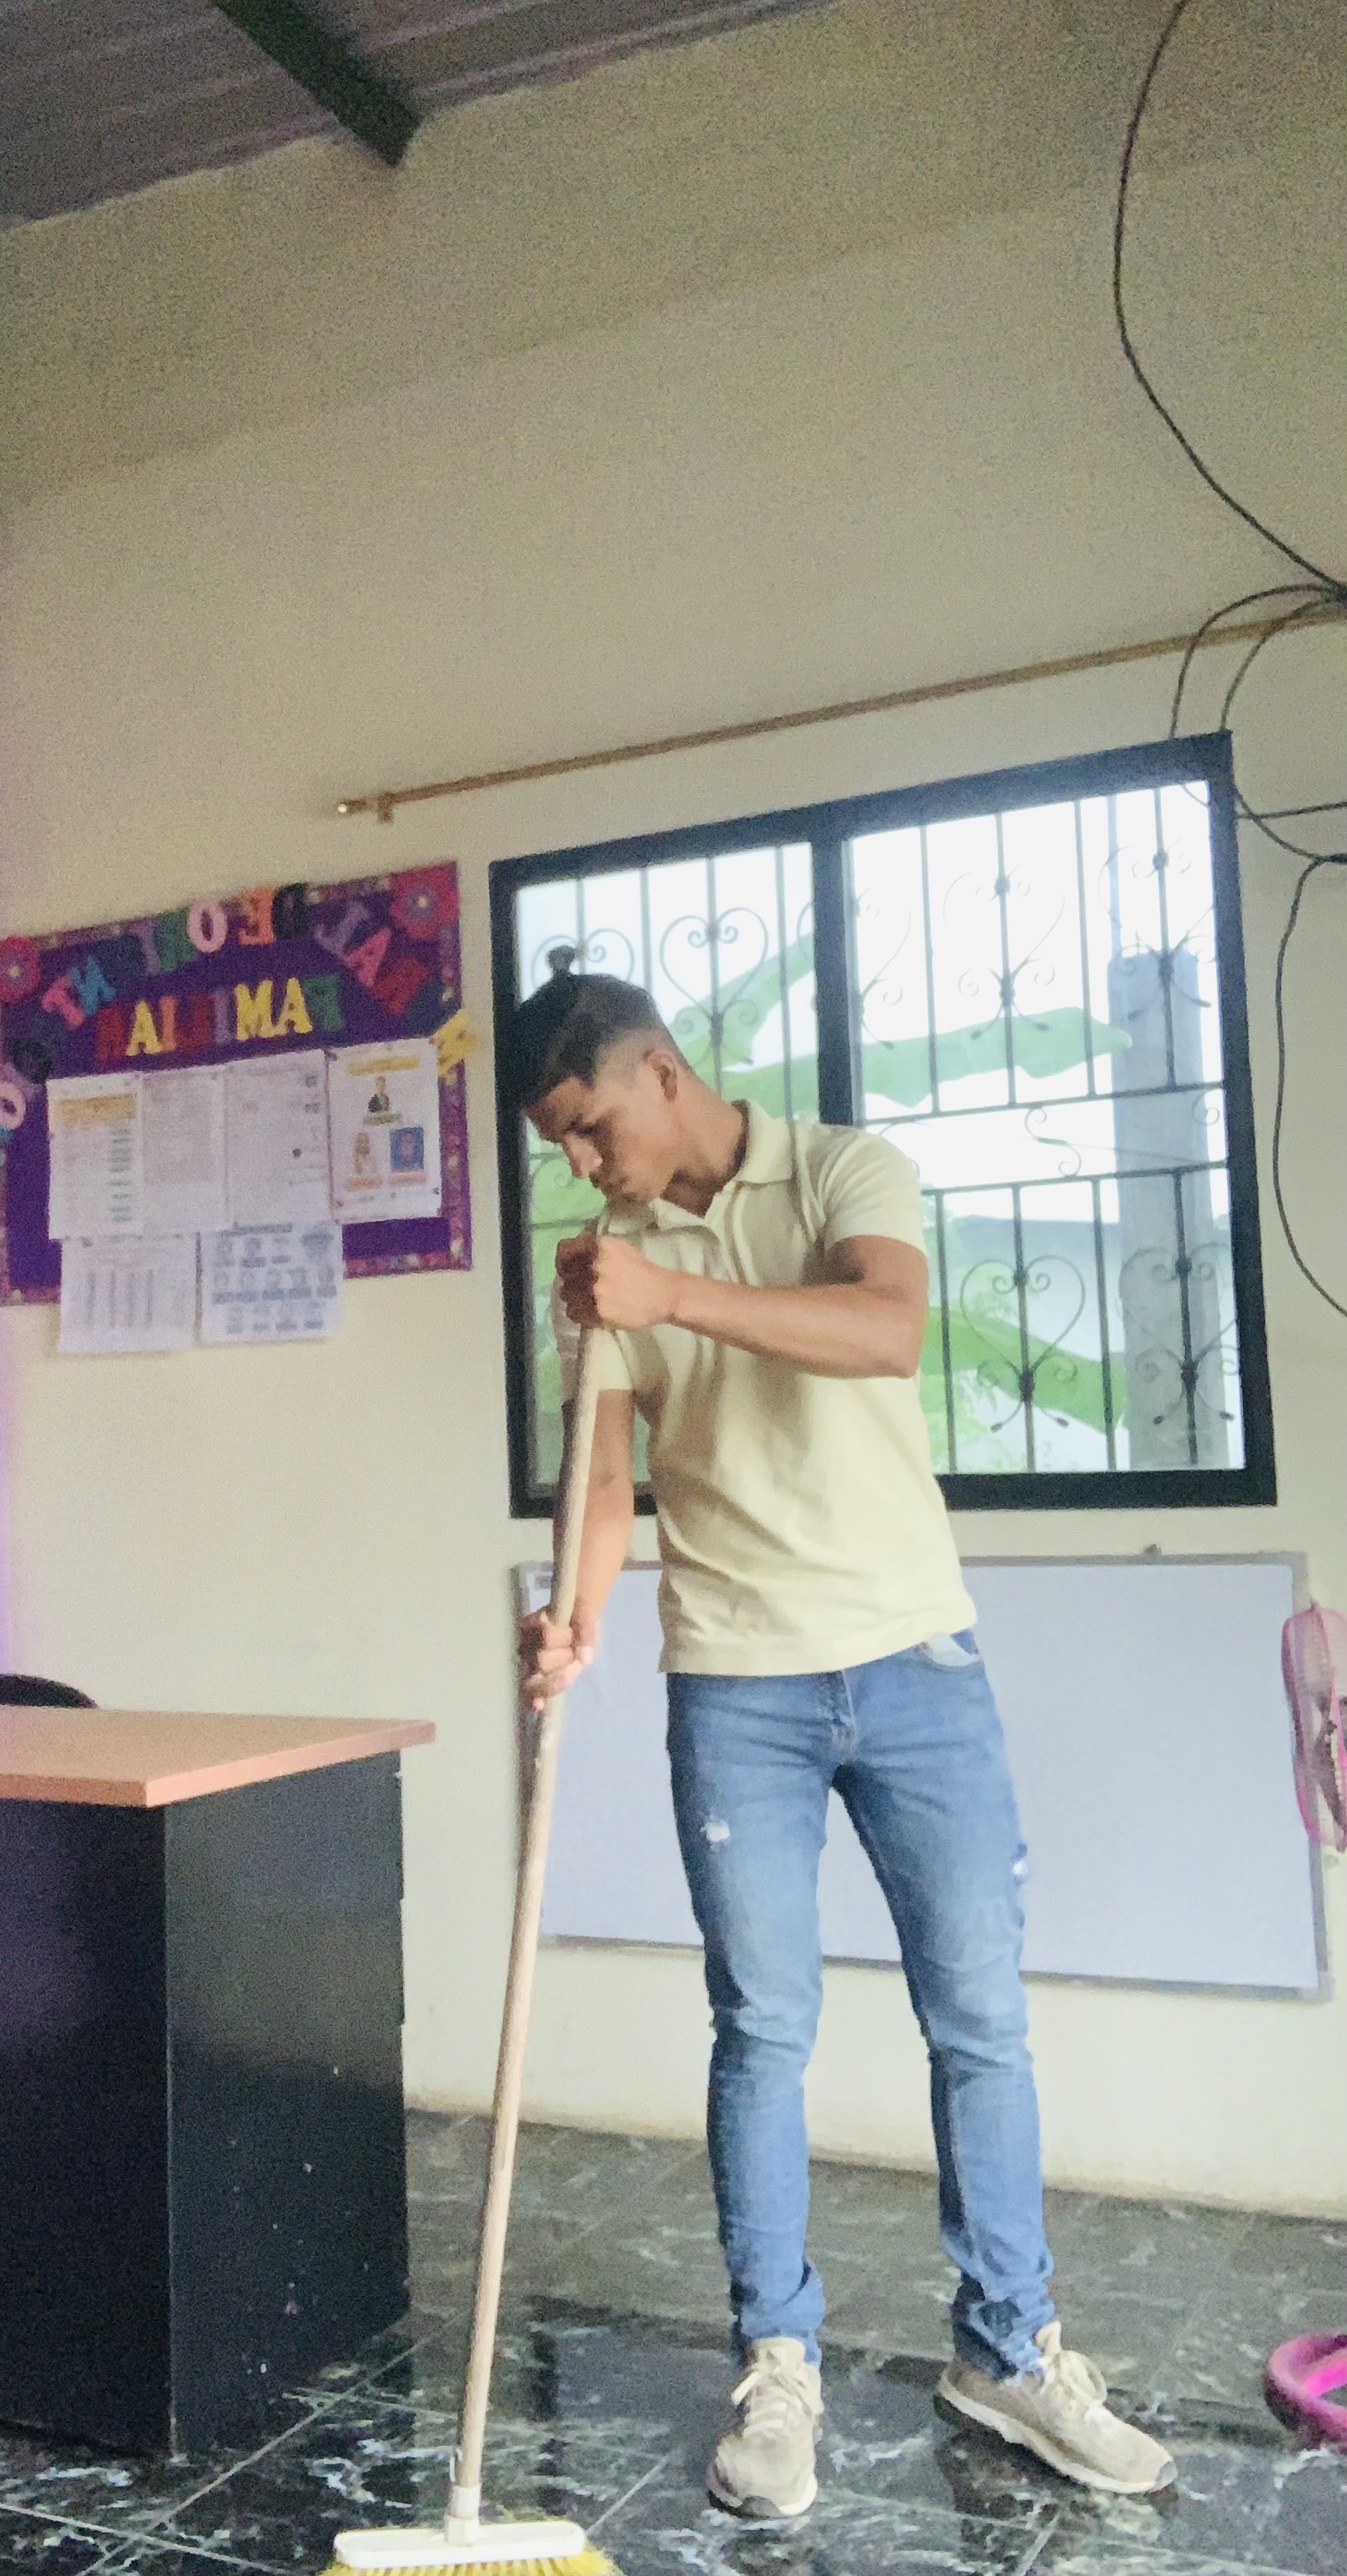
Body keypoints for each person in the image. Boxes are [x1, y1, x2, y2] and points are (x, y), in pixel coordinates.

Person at [508, 965, 1174, 2522]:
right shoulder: (607, 1268)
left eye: (591, 1127)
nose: (585, 1167)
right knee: (763, 2027)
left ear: (662, 1073)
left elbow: (882, 1330)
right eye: (561, 1148)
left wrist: (673, 1296)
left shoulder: (843, 1171)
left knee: (981, 2018)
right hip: (735, 1680)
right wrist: (576, 1615)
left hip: (915, 1657)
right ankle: (777, 2364)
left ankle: (1009, 2351)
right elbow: (602, 1475)